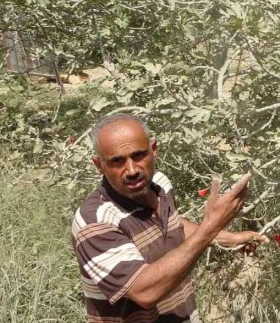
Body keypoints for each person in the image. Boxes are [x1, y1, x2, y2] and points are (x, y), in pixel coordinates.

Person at [70, 113, 268, 322]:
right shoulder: (94, 220)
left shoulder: (159, 184)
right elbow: (144, 291)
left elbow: (173, 225)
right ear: (99, 165)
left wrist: (229, 238)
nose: (131, 170)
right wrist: (212, 225)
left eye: (138, 155)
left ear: (153, 151)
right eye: (117, 161)